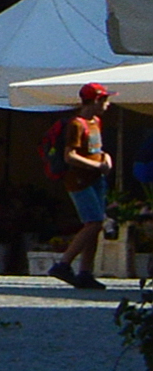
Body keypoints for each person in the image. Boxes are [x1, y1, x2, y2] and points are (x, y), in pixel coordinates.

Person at [54, 83, 121, 291]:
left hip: (95, 179)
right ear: (95, 101)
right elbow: (70, 156)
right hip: (79, 180)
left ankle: (85, 272)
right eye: (105, 100)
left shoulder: (96, 122)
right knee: (93, 222)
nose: (108, 105)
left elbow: (95, 149)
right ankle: (63, 264)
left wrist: (105, 158)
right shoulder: (77, 124)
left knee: (95, 227)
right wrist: (97, 165)